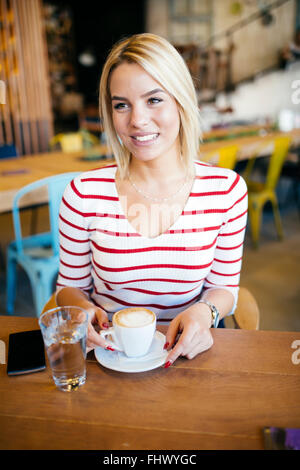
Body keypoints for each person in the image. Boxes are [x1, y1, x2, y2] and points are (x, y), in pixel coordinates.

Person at [56, 33, 248, 367]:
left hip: (188, 357)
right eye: (121, 105)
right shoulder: (83, 193)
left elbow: (225, 288)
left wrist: (206, 312)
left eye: (154, 100)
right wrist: (81, 311)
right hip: (107, 358)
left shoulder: (227, 191)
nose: (137, 121)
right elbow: (68, 287)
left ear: (181, 100)